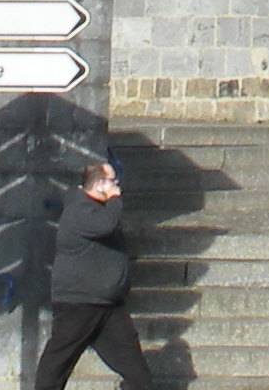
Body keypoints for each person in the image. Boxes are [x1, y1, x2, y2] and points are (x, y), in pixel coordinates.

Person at [36, 156, 154, 390]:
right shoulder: (80, 209)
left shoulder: (99, 210)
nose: (117, 185)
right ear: (100, 184)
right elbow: (105, 225)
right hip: (79, 303)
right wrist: (115, 200)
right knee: (57, 363)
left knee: (138, 374)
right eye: (113, 181)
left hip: (108, 306)